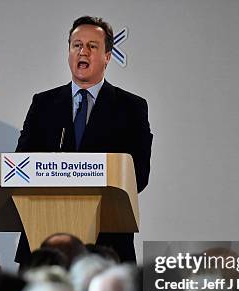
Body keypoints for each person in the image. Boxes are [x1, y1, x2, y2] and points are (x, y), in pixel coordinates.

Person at [15, 16, 153, 265]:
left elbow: (139, 174)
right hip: (43, 242)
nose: (83, 51)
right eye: (77, 45)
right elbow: (21, 165)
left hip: (107, 245)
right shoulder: (43, 104)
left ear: (108, 56)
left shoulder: (131, 107)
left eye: (92, 46)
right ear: (68, 52)